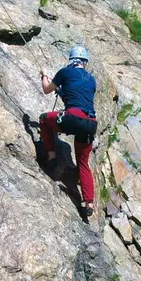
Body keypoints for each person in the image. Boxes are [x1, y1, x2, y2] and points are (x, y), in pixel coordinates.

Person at [39, 45, 98, 218]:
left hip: (73, 117)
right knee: (83, 163)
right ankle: (89, 203)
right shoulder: (91, 80)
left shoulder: (65, 72)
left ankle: (50, 156)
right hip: (90, 123)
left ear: (71, 60)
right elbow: (76, 95)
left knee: (44, 119)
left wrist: (44, 76)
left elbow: (46, 89)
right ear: (85, 62)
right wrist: (62, 91)